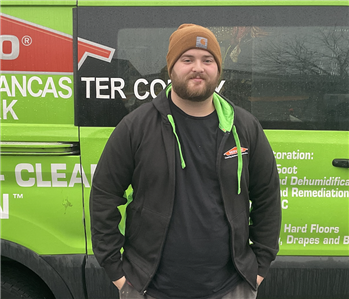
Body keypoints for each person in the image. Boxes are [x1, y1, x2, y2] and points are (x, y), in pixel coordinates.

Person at [90, 24, 281, 299]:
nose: (198, 68)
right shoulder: (136, 127)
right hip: (150, 289)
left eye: (208, 60)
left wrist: (259, 267)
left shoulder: (245, 127)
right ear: (171, 68)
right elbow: (104, 196)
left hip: (231, 288)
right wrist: (119, 275)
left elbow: (268, 197)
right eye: (187, 59)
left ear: (218, 70)